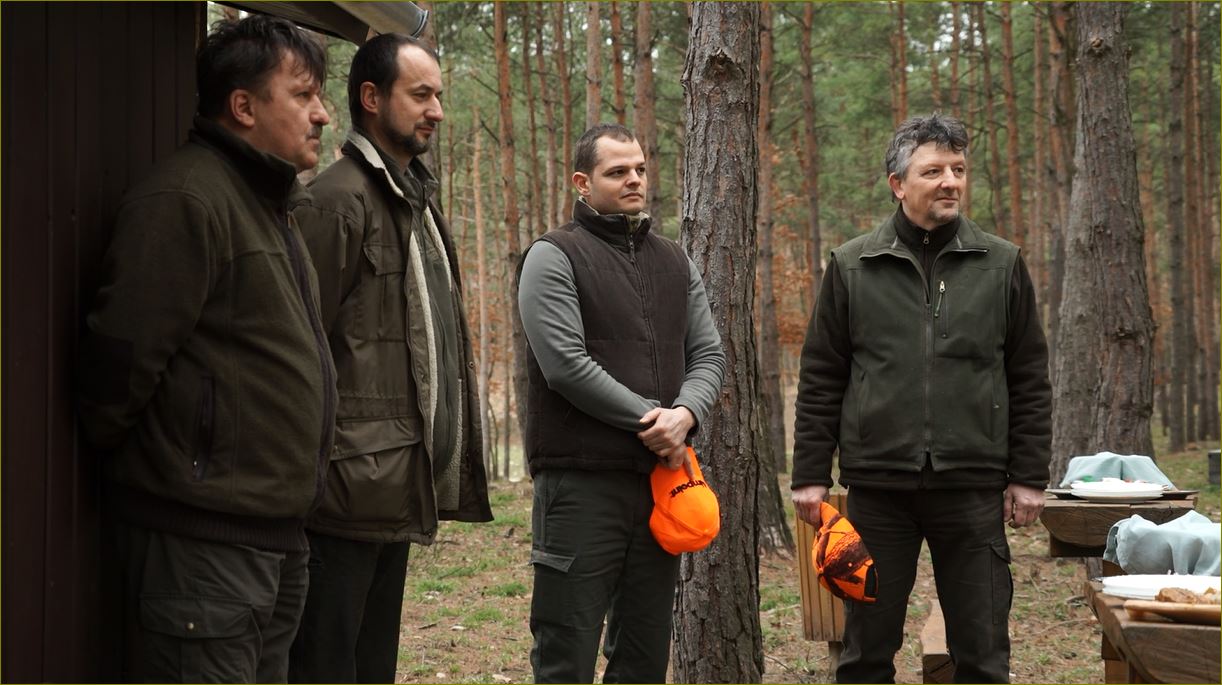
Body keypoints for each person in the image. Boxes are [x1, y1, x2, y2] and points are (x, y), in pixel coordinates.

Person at [78, 15, 334, 683]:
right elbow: (119, 366)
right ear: (243, 106)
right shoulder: (186, 199)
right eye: (303, 95)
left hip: (271, 540)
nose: (322, 114)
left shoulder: (270, 204)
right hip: (202, 550)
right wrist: (182, 473)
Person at [791, 113, 1052, 684]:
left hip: (973, 488)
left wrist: (1029, 475)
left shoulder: (1001, 263)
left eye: (958, 169)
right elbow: (822, 376)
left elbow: (1029, 375)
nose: (950, 182)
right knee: (865, 653)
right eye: (933, 171)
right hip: (878, 490)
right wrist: (810, 474)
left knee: (982, 653)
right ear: (898, 184)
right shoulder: (853, 265)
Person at [286, 34, 493, 684]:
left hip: (392, 485)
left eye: (440, 96)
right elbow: (298, 349)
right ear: (372, 98)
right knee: (325, 669)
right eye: (421, 94)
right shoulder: (335, 202)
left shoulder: (412, 199)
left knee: (371, 668)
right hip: (340, 495)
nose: (437, 111)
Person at [517, 123, 727, 684]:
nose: (634, 179)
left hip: (659, 485)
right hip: (579, 487)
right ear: (582, 183)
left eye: (639, 169)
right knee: (566, 656)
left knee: (643, 657)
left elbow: (709, 354)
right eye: (617, 172)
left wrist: (686, 414)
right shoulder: (552, 255)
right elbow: (565, 365)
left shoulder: (674, 261)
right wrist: (654, 419)